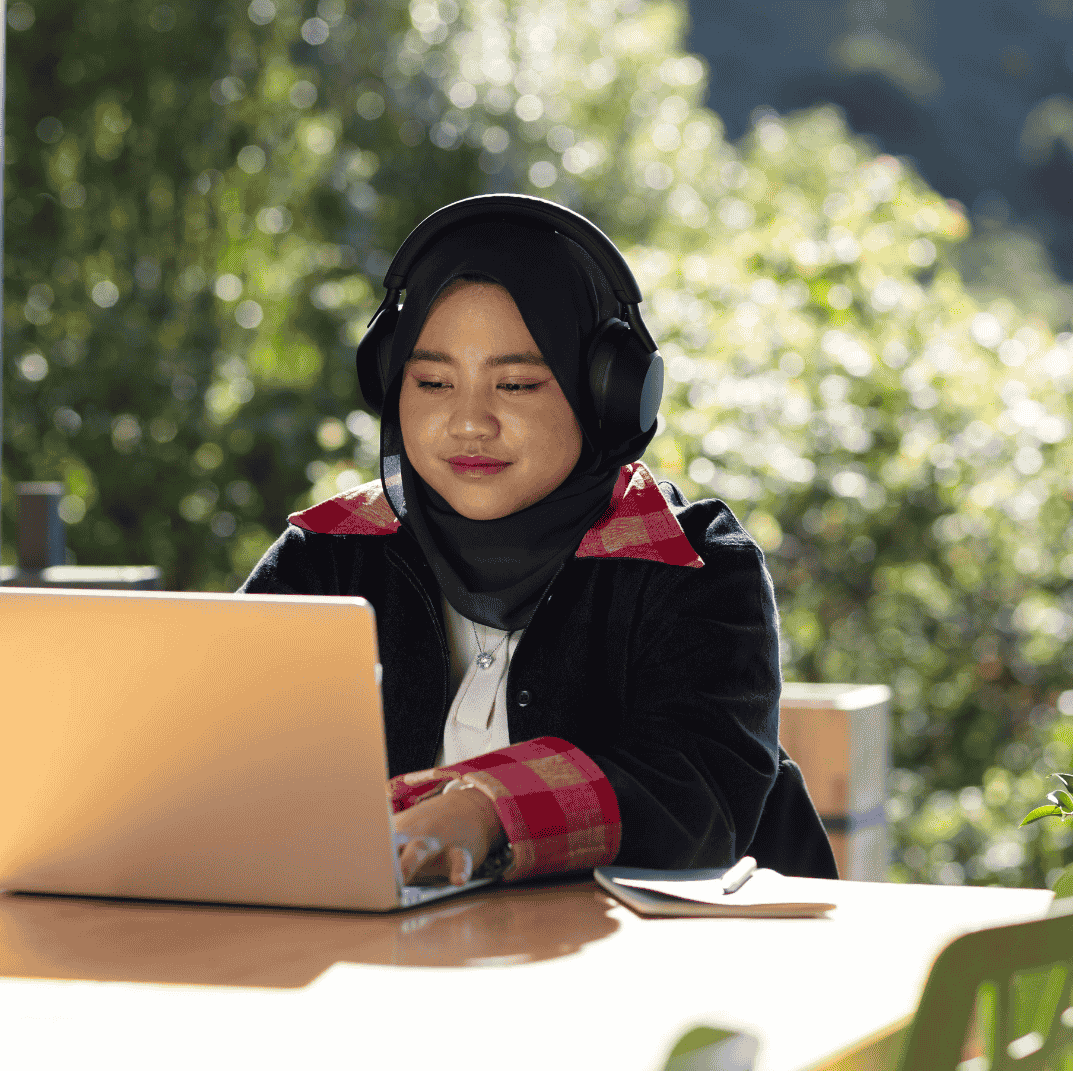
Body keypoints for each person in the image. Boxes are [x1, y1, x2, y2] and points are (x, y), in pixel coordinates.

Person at [240, 195, 837, 887]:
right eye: (431, 381)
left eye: (517, 383)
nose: (469, 422)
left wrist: (487, 812)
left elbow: (695, 799)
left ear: (607, 394)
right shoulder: (328, 555)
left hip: (658, 973)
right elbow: (214, 747)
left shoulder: (695, 567)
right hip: (388, 964)